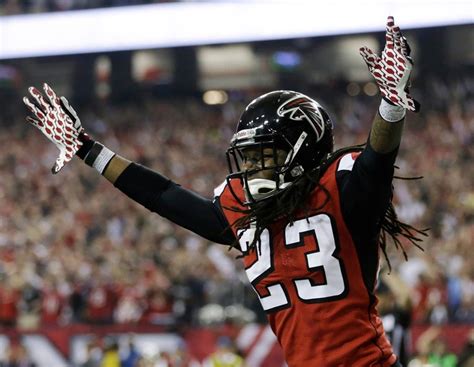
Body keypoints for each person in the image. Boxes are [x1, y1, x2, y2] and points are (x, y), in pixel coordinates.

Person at [23, 16, 426, 367]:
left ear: (302, 149)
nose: (250, 169)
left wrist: (390, 106)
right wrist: (88, 150)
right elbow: (164, 196)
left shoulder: (341, 189)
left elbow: (378, 160)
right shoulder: (244, 209)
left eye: (263, 155)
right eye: (248, 158)